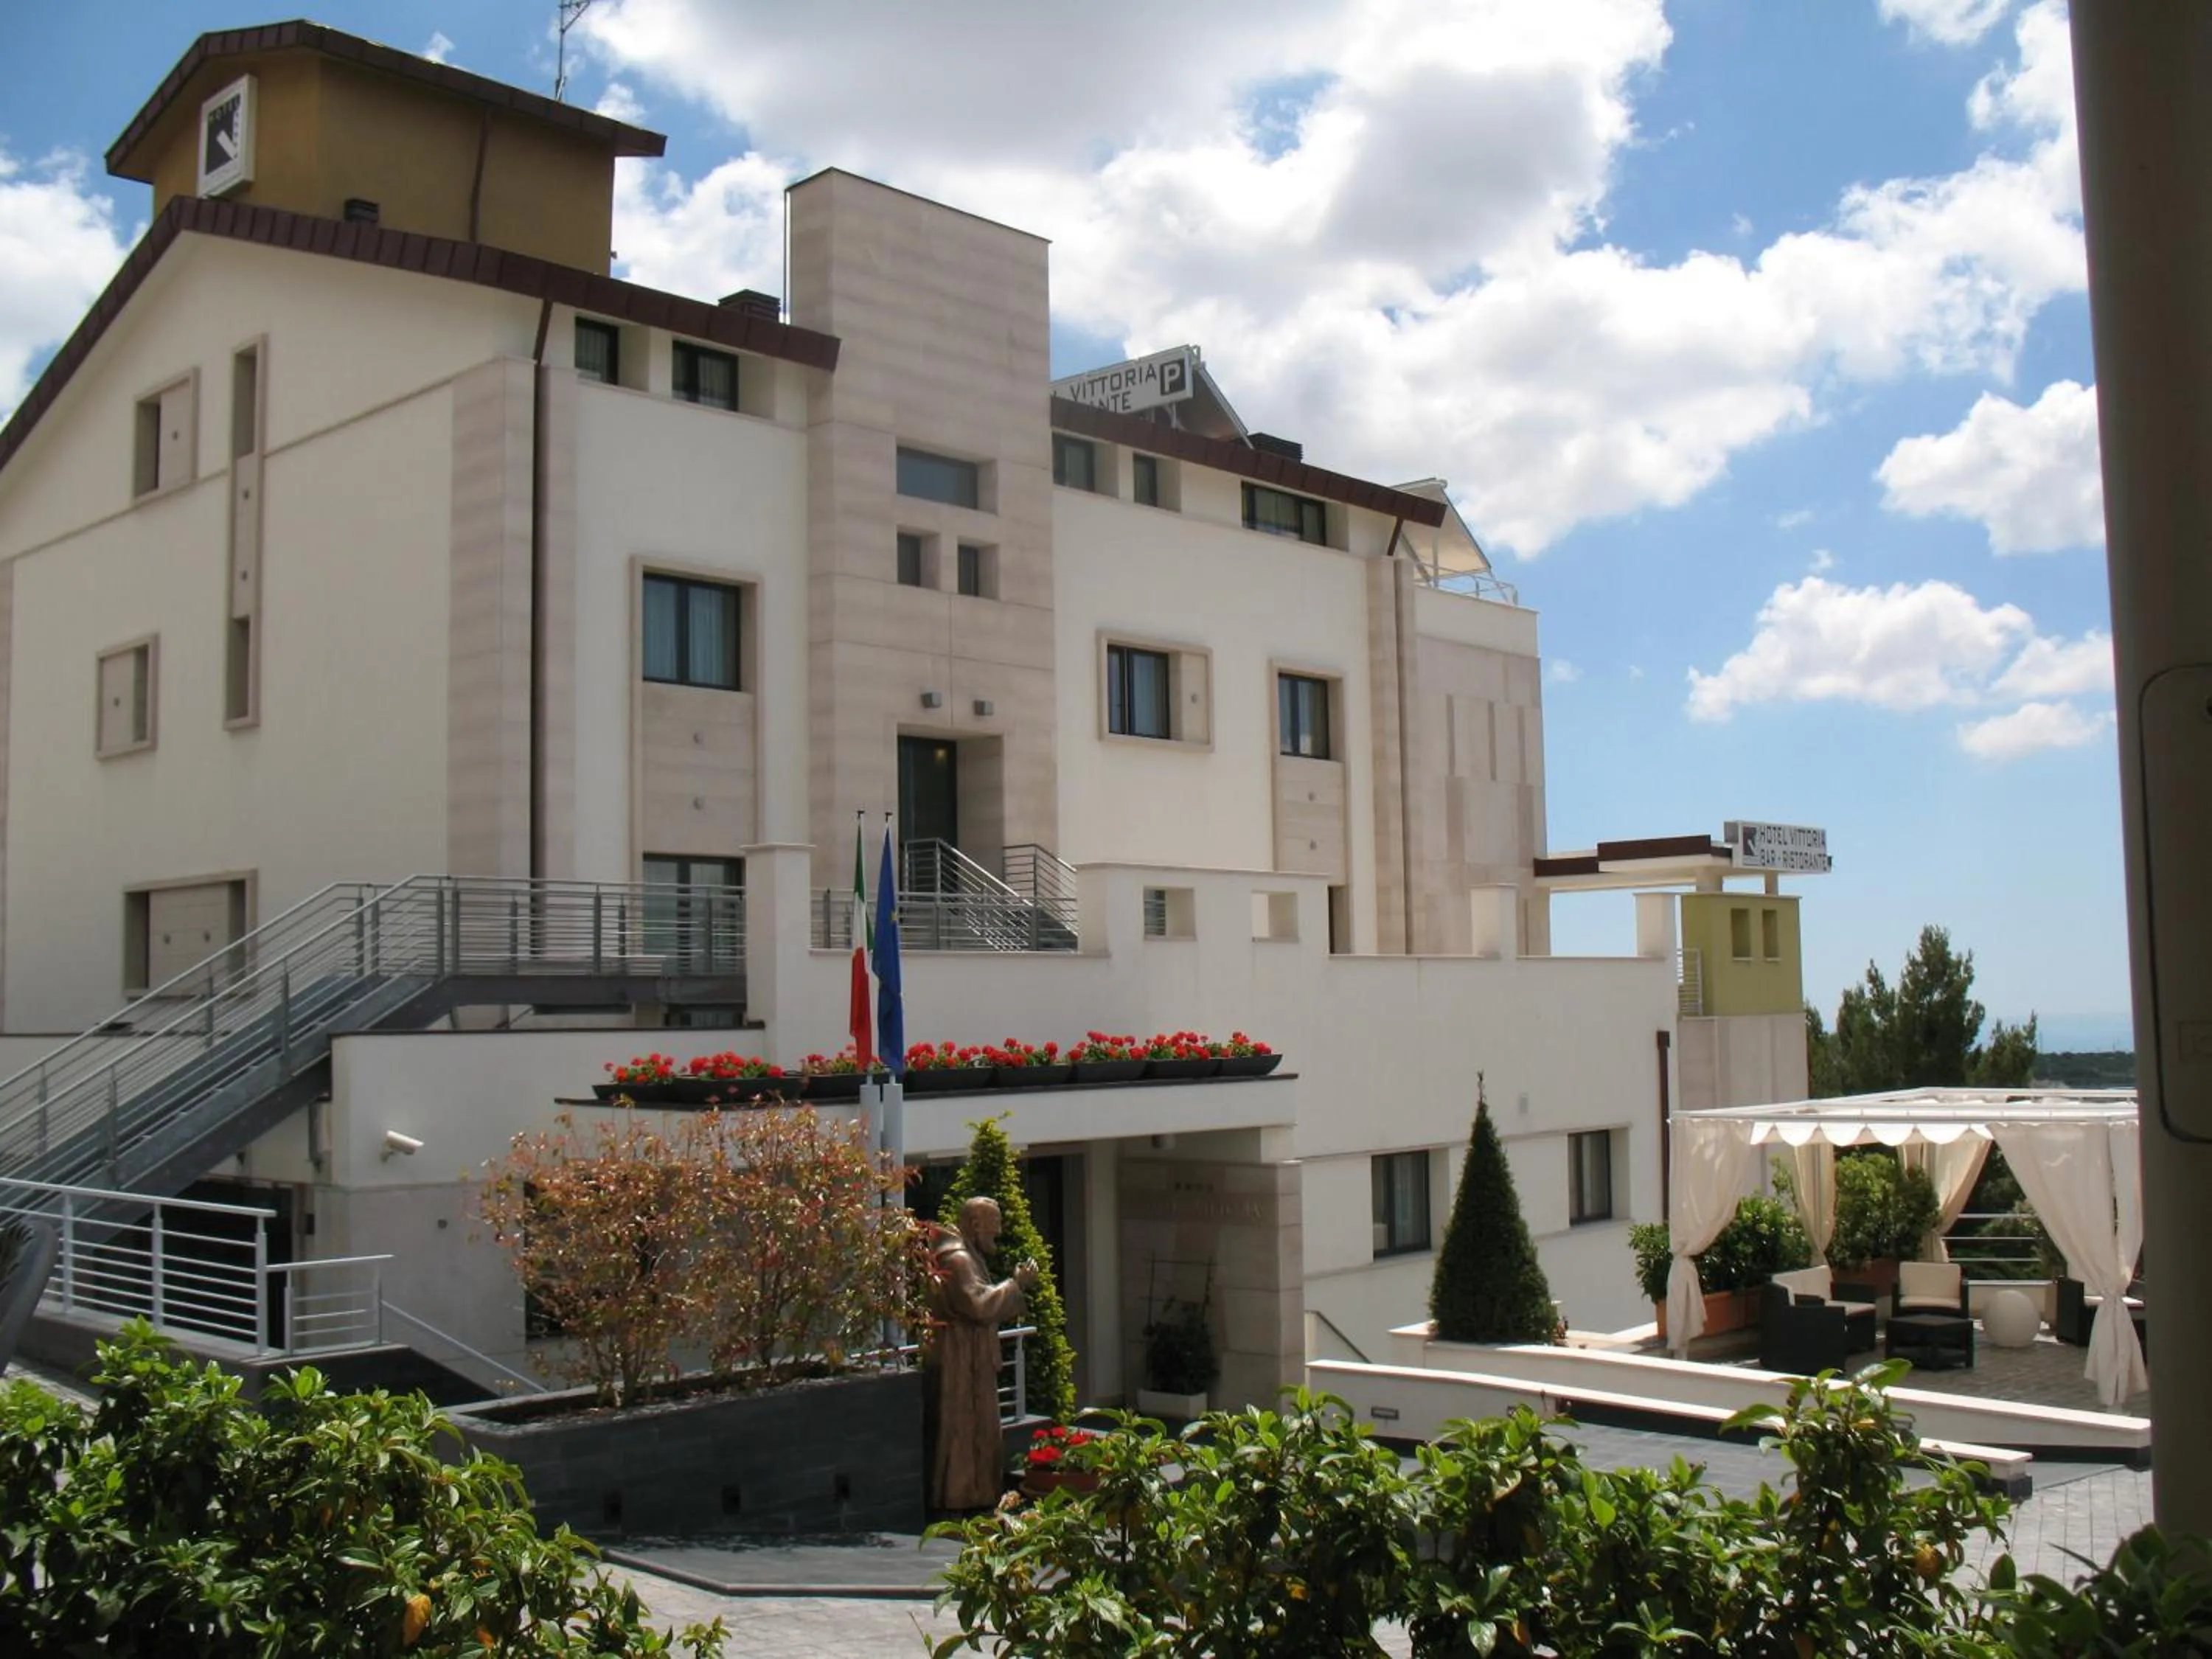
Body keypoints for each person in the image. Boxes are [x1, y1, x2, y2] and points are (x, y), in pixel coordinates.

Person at [926, 1196, 1037, 1511]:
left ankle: (977, 1494)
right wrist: (1016, 1284)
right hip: (961, 1360)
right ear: (975, 1226)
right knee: (964, 1428)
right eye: (993, 1226)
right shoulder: (957, 1260)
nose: (998, 1233)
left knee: (978, 1428)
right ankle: (960, 1497)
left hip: (971, 1357)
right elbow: (978, 1304)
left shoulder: (967, 1256)